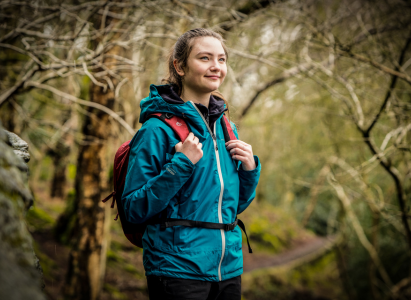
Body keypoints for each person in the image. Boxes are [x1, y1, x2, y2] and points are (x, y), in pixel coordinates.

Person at [122, 28, 261, 300]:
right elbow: (133, 209)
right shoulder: (156, 130)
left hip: (228, 269)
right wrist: (181, 164)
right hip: (177, 270)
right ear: (180, 66)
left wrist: (249, 171)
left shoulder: (226, 127)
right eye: (205, 58)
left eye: (221, 59)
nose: (216, 67)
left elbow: (228, 208)